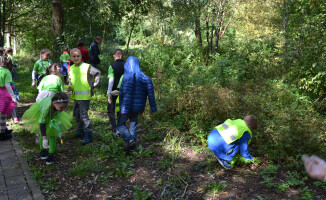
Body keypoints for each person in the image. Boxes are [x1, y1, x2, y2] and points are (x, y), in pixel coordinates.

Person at [22, 92, 72, 165]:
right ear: (54, 104)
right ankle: (43, 151)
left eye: (65, 107)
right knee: (44, 132)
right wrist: (45, 139)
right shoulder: (46, 109)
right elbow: (42, 125)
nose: (63, 110)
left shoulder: (59, 107)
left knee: (52, 133)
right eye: (62, 107)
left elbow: (59, 109)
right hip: (42, 111)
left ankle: (51, 154)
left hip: (53, 112)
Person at [119, 56, 157, 151]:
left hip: (126, 106)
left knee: (120, 125)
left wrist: (122, 107)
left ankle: (130, 140)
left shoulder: (126, 77)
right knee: (133, 124)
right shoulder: (146, 78)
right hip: (138, 107)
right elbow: (151, 95)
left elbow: (122, 94)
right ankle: (133, 148)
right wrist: (153, 108)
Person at [68, 48, 101, 144]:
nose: (76, 58)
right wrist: (70, 87)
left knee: (83, 116)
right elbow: (72, 80)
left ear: (81, 57)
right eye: (74, 56)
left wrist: (94, 84)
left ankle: (88, 134)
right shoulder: (72, 68)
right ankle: (80, 130)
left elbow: (98, 73)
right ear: (70, 58)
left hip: (85, 97)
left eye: (78, 56)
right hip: (76, 96)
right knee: (76, 114)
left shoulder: (87, 66)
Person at [0, 48, 17, 140]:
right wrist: (13, 96)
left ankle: (4, 129)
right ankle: (2, 134)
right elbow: (7, 85)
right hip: (3, 95)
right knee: (3, 115)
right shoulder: (7, 72)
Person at [107, 49, 124, 136]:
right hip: (124, 91)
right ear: (123, 56)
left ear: (114, 56)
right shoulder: (127, 66)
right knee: (120, 109)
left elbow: (111, 80)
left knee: (111, 110)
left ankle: (115, 129)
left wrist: (109, 93)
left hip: (114, 91)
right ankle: (121, 127)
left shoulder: (112, 66)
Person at [5, 47, 19, 123]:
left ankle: (13, 117)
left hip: (5, 90)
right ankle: (14, 117)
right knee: (11, 100)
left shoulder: (4, 72)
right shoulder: (8, 73)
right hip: (8, 89)